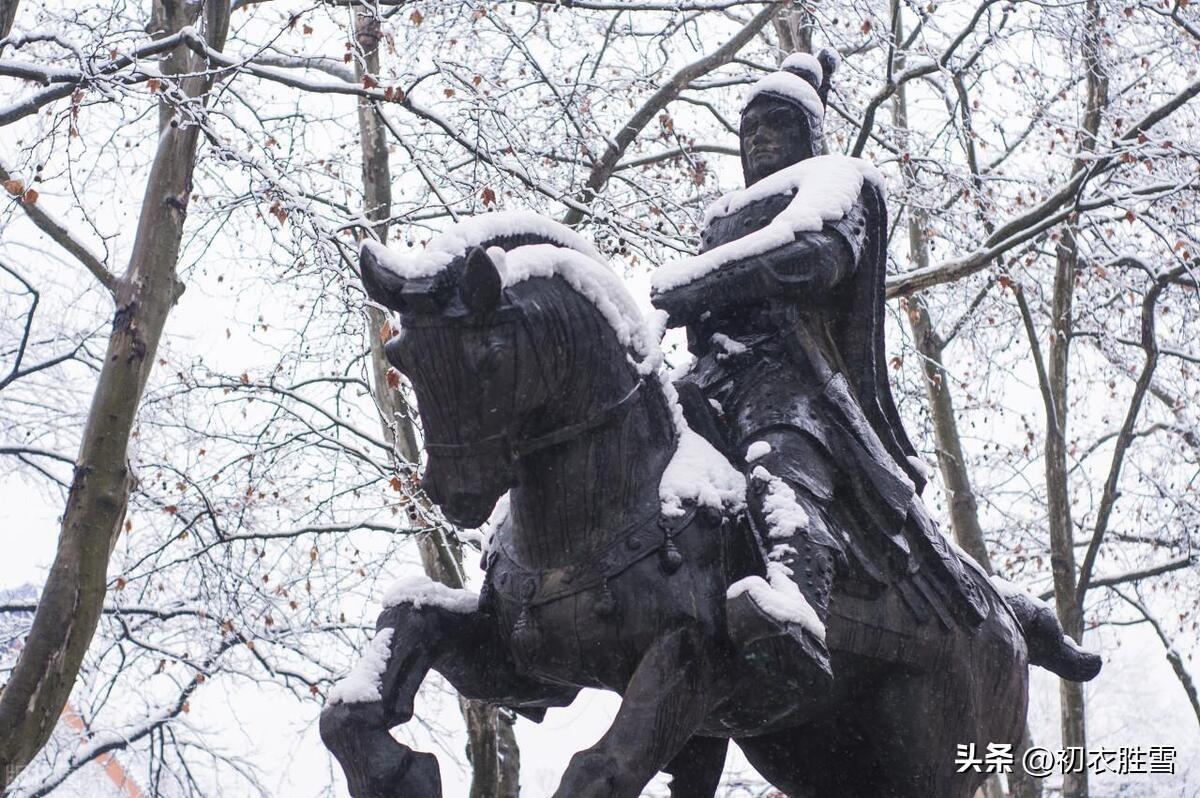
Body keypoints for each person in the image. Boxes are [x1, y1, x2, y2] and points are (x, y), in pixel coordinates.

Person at [651, 51, 990, 681]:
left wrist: (702, 285)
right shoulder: (721, 215)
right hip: (711, 376)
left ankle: (796, 608)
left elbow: (817, 257)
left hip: (795, 380)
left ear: (807, 133)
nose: (757, 140)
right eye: (749, 130)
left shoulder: (840, 182)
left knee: (780, 461)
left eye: (774, 127)